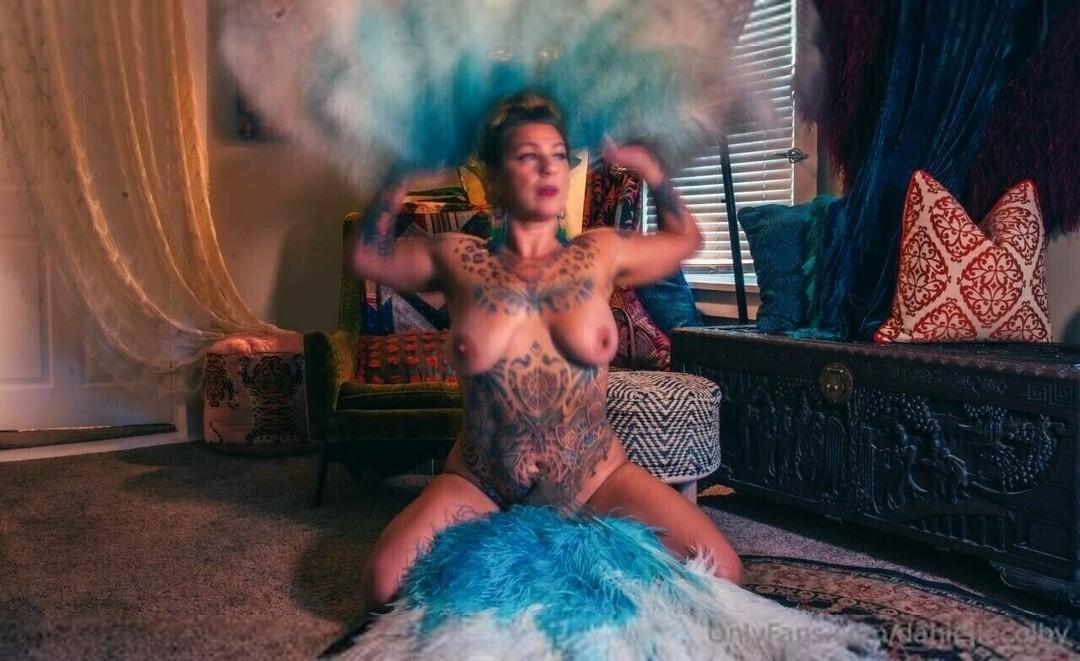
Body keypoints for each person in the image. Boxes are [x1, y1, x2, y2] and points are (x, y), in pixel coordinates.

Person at [351, 92, 743, 614]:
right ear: (494, 179)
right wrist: (399, 176)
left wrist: (651, 169)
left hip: (595, 476)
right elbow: (368, 255)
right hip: (482, 479)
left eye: (558, 155)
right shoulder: (457, 257)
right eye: (527, 156)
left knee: (722, 570)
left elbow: (685, 239)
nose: (548, 168)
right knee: (382, 586)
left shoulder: (599, 251)